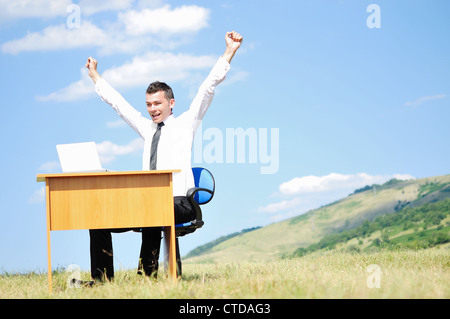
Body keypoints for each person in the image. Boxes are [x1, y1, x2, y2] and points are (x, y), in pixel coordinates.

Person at [85, 31, 243, 282]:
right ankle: (102, 281)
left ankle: (147, 277)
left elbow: (207, 88)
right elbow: (119, 104)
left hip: (180, 203)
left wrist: (228, 52)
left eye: (157, 104)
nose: (152, 109)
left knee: (153, 210)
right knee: (99, 218)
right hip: (150, 202)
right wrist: (95, 77)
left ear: (171, 103)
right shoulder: (146, 129)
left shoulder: (186, 124)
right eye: (148, 104)